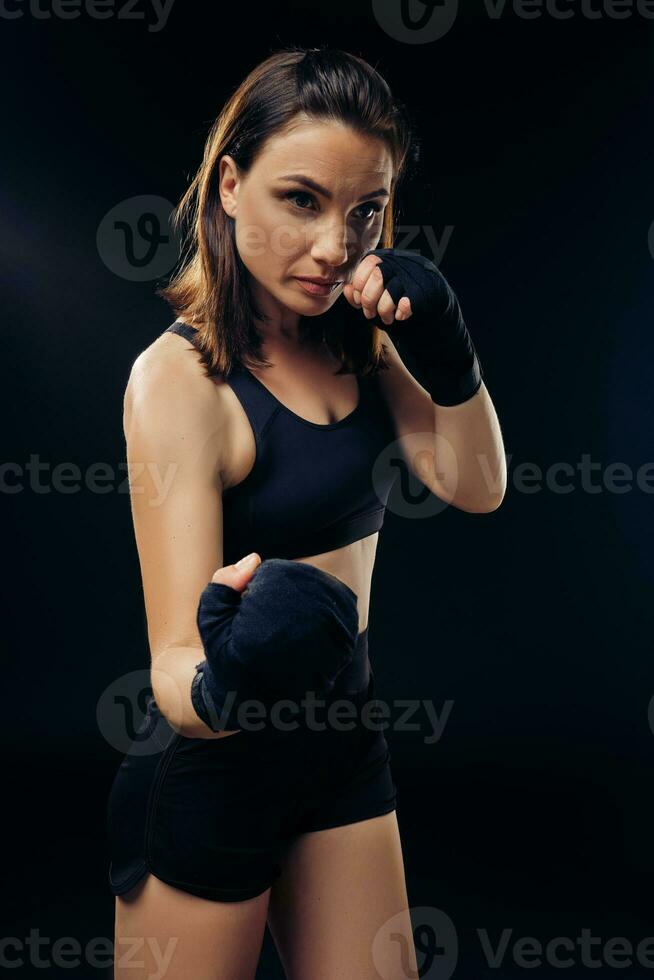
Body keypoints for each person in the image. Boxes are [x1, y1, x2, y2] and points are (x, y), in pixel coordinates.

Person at [106, 45, 505, 980]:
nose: (337, 246)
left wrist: (446, 350)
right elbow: (170, 662)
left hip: (342, 753)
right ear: (231, 184)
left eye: (365, 210)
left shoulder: (363, 338)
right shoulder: (179, 382)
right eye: (302, 200)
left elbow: (476, 483)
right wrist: (228, 684)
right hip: (212, 767)